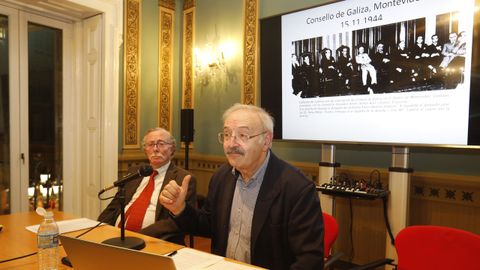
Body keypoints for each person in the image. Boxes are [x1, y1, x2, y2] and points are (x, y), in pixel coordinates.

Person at [160, 103, 324, 269]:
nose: (231, 144)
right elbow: (208, 225)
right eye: (226, 135)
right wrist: (180, 209)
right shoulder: (221, 177)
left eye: (243, 135)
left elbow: (310, 260)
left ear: (266, 141)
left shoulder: (297, 188)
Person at [98, 127, 197, 245]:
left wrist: (138, 236)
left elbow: (175, 223)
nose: (155, 149)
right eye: (150, 144)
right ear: (145, 150)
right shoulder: (135, 172)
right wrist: (99, 228)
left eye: (161, 144)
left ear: (172, 148)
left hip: (154, 242)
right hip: (118, 237)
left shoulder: (183, 178)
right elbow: (114, 206)